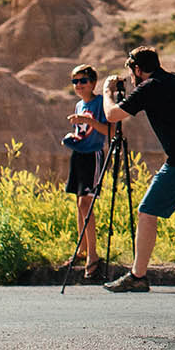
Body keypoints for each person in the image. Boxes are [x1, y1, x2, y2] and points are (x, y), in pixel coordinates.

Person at [89, 48, 175, 292]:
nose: (131, 77)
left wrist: (108, 92)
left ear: (138, 70)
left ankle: (138, 275)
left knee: (146, 212)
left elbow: (112, 115)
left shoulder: (148, 88)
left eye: (132, 72)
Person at [61, 65, 108, 282]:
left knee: (85, 204)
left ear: (93, 82)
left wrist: (87, 122)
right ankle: (82, 249)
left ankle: (93, 255)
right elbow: (84, 131)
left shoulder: (100, 103)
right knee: (79, 205)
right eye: (75, 81)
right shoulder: (79, 104)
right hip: (79, 154)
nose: (79, 85)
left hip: (93, 155)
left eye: (83, 80)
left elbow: (111, 131)